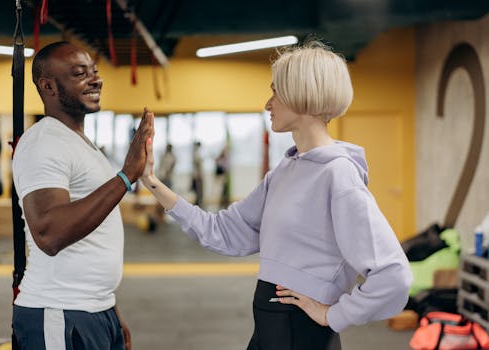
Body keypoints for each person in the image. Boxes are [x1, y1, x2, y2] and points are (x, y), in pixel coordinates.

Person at [140, 41, 412, 350]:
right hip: (269, 327)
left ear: (303, 95)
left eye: (276, 92)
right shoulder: (284, 171)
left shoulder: (338, 174)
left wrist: (333, 315)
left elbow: (393, 276)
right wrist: (150, 180)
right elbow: (221, 231)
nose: (269, 103)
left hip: (300, 333)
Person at [12, 41, 153, 350]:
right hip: (59, 311)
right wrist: (127, 175)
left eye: (94, 71)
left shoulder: (79, 143)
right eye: (80, 73)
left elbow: (93, 238)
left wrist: (109, 309)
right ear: (48, 86)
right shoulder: (44, 142)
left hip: (94, 311)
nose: (95, 79)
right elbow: (49, 234)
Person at [190, 141, 203, 206]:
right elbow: (197, 165)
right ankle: (198, 204)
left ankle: (198, 203)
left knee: (197, 192)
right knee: (198, 192)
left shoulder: (194, 153)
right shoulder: (196, 153)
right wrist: (199, 175)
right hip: (197, 176)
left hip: (196, 175)